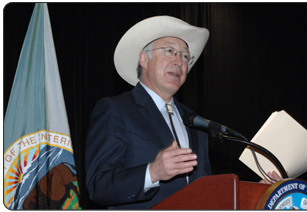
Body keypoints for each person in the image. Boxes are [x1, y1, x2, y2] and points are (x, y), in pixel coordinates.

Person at [85, 16, 281, 209]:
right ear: (144, 59)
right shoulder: (116, 109)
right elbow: (98, 186)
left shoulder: (195, 122)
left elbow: (207, 195)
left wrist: (255, 193)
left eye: (185, 56)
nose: (179, 61)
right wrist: (152, 172)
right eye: (170, 51)